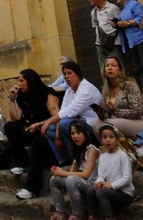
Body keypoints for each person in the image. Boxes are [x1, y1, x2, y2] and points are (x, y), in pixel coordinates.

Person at [16, 60, 102, 200]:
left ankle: (77, 158)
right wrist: (57, 135)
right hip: (76, 126)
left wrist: (42, 123)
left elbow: (69, 112)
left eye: (70, 73)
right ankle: (64, 161)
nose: (67, 77)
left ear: (78, 74)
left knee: (64, 124)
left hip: (91, 129)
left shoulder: (86, 89)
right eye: (64, 74)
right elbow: (62, 112)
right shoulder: (69, 91)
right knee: (50, 130)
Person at [43, 121, 98, 220]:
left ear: (86, 133)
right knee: (54, 180)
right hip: (80, 183)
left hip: (92, 186)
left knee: (71, 179)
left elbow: (86, 175)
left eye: (78, 133)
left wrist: (63, 173)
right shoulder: (78, 151)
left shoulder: (92, 150)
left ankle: (78, 218)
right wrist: (59, 173)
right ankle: (61, 216)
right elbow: (72, 172)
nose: (75, 136)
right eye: (72, 133)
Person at [86, 123, 136, 220]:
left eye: (111, 137)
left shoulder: (122, 156)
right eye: (104, 137)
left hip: (124, 193)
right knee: (91, 190)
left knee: (101, 192)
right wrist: (99, 182)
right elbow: (101, 175)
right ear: (101, 139)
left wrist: (110, 185)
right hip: (110, 191)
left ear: (116, 138)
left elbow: (127, 178)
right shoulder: (103, 157)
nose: (108, 140)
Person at [97, 57, 143, 138]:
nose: (110, 68)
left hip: (141, 121)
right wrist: (102, 115)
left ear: (120, 71)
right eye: (107, 66)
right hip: (120, 122)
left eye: (113, 65)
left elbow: (138, 111)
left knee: (112, 125)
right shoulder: (105, 90)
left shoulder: (129, 86)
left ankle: (125, 148)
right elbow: (107, 114)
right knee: (96, 124)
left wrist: (116, 111)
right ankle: (110, 149)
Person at [3, 70, 52, 179]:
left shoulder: (45, 93)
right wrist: (12, 99)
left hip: (44, 129)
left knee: (37, 142)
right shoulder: (22, 96)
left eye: (22, 81)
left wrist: (38, 125)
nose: (19, 84)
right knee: (10, 127)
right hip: (30, 128)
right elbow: (16, 117)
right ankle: (21, 163)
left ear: (30, 81)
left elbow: (56, 115)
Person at [111, 0, 143, 102]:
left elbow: (141, 19)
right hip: (131, 42)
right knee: (138, 68)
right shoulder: (123, 9)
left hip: (140, 39)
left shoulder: (134, 5)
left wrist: (127, 23)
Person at [87, 0, 121, 80]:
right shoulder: (93, 13)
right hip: (100, 44)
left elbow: (120, 24)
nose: (89, 0)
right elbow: (96, 27)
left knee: (116, 68)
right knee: (104, 70)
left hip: (114, 43)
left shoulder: (112, 8)